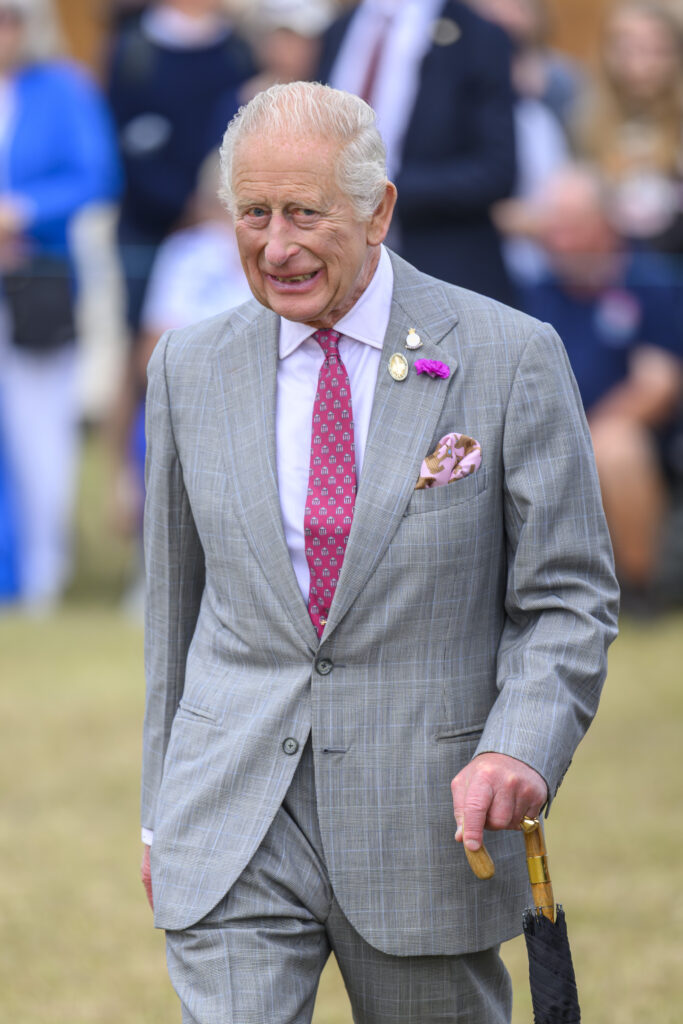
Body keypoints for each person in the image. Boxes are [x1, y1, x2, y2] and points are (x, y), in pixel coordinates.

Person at [141, 82, 619, 1024]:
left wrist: (518, 746)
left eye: (305, 213)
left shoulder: (510, 355)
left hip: (427, 824)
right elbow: (172, 611)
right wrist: (163, 815)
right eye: (253, 214)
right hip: (232, 814)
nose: (276, 246)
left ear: (377, 210)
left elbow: (566, 597)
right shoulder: (186, 366)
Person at [0, 0, 120, 609]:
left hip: (34, 285)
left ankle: (40, 576)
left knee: (39, 430)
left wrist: (21, 211)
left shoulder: (62, 90)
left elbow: (96, 175)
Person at [518, 164, 683, 608]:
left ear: (607, 224)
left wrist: (582, 437)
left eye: (573, 228)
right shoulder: (537, 291)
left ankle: (640, 591)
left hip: (635, 442)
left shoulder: (648, 281)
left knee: (615, 446)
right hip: (551, 435)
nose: (560, 241)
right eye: (553, 229)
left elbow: (658, 386)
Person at [317, 0, 518, 305]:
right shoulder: (339, 29)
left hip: (438, 266)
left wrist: (377, 192)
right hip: (337, 269)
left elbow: (496, 170)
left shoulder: (478, 36)